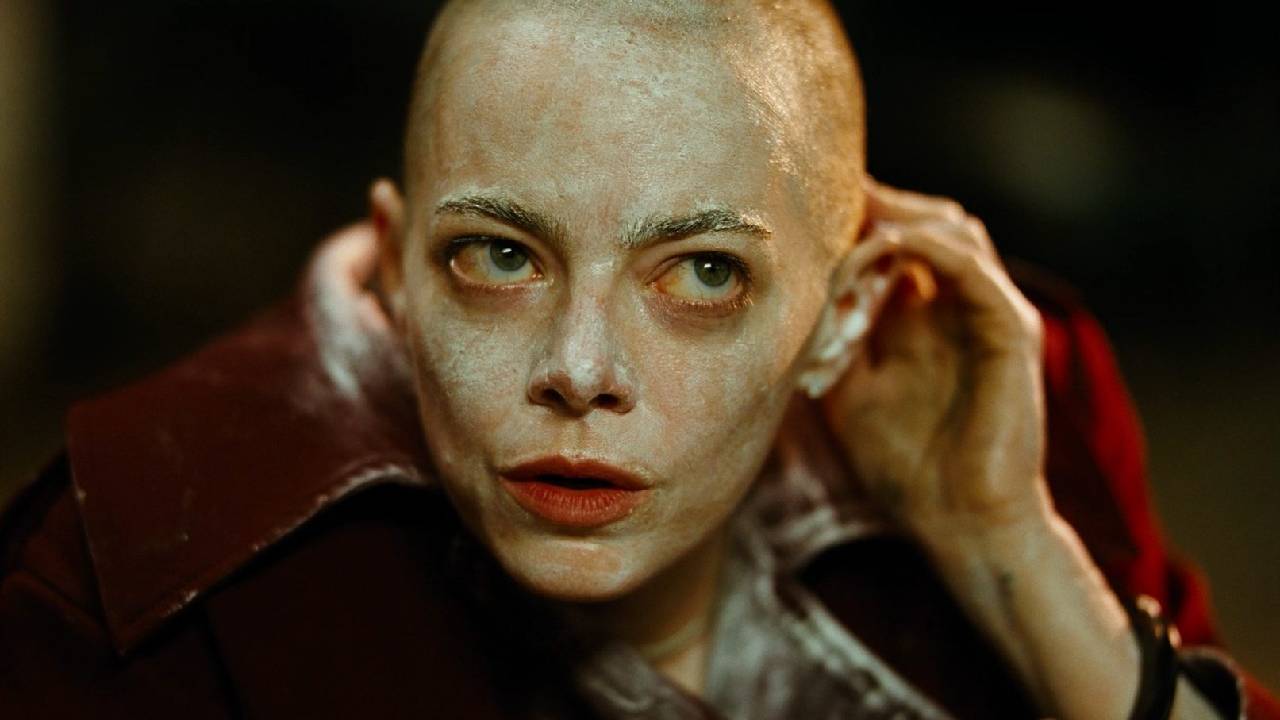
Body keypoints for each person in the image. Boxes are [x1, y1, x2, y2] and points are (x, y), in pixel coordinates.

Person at [1, 1, 1276, 718]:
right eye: (498, 256)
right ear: (393, 268)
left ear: (842, 314)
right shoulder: (125, 595)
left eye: (703, 273)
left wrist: (1005, 547)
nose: (578, 370)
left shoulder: (1013, 408)